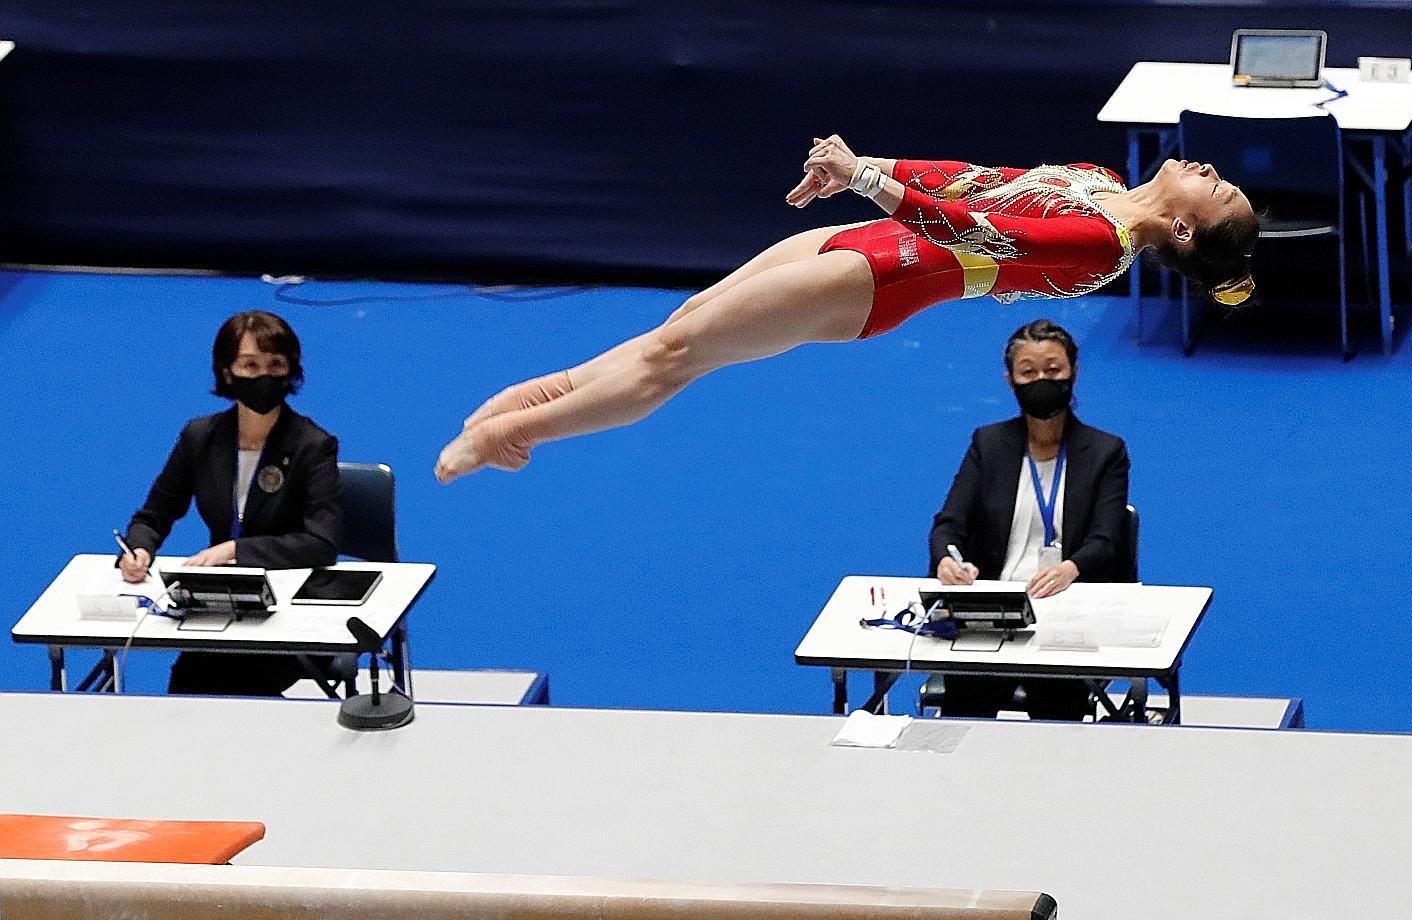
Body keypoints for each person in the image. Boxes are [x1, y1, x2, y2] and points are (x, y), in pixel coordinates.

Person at [435, 135, 1258, 481]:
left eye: (1216, 189)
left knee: (679, 359)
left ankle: (518, 436)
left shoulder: (1095, 249)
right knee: (686, 321)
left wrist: (871, 181)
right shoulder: (1102, 184)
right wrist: (871, 164)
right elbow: (970, 179)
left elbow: (976, 228)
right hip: (874, 242)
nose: (1209, 167)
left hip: (882, 283)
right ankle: (541, 396)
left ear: (1184, 228)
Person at [118, 311, 343, 695]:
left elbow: (321, 543)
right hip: (217, 603)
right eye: (250, 366)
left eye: (276, 364)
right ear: (227, 373)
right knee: (189, 689)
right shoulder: (200, 437)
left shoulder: (313, 445)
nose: (265, 376)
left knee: (245, 690)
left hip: (288, 607)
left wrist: (236, 550)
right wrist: (139, 548)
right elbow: (155, 513)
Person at [929, 319, 1129, 721]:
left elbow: (1107, 539)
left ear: (1074, 372)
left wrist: (1072, 568)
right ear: (1011, 381)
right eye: (1028, 372)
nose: (1041, 380)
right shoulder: (988, 445)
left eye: (1053, 370)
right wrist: (946, 561)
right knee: (967, 697)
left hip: (1065, 607)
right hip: (993, 607)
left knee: (1055, 702)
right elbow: (948, 524)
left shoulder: (1105, 451)